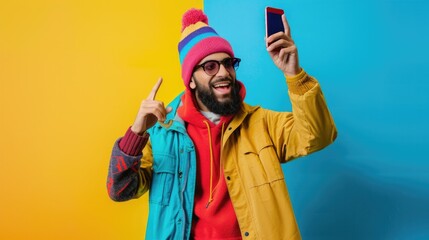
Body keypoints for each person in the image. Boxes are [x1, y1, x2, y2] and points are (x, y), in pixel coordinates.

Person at [107, 8, 337, 240]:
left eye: (228, 63)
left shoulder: (261, 123)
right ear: (191, 80)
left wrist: (294, 75)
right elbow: (120, 191)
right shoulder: (161, 133)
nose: (224, 73)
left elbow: (318, 135)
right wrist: (136, 134)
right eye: (210, 67)